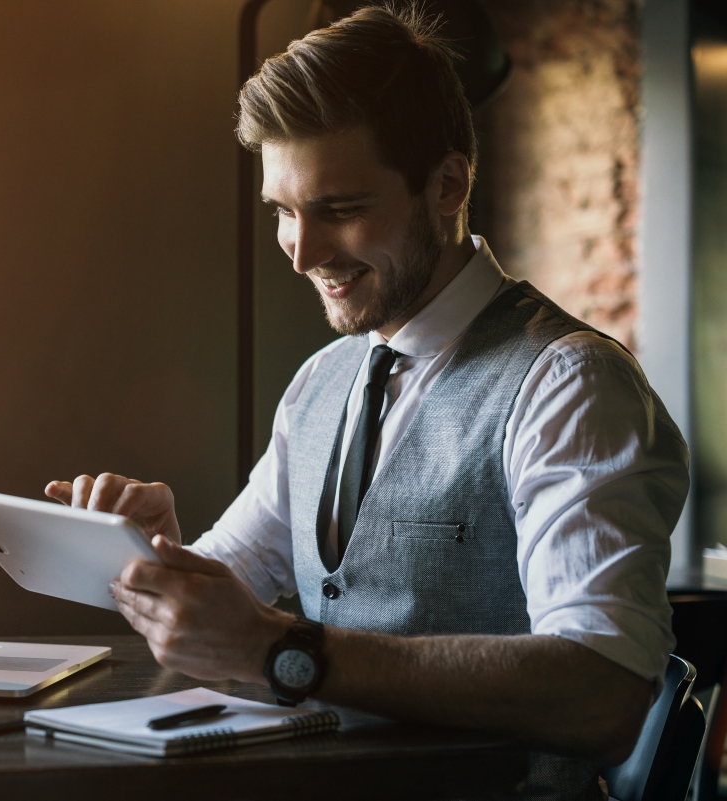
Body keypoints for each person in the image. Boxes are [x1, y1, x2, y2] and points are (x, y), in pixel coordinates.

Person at [46, 5, 688, 800]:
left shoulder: (571, 386)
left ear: (448, 185)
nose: (303, 252)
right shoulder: (322, 381)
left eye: (340, 210)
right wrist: (152, 559)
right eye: (283, 211)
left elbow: (603, 690)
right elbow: (229, 602)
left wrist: (297, 652)